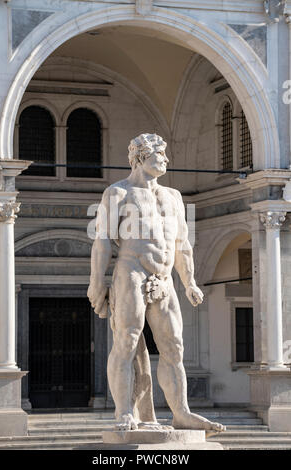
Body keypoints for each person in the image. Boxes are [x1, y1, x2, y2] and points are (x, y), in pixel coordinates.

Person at [88, 133, 225, 433]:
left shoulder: (173, 196)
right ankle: (125, 412)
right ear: (140, 157)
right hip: (131, 272)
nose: (165, 159)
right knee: (126, 341)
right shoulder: (118, 193)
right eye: (159, 154)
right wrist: (96, 283)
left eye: (164, 154)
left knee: (174, 347)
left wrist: (189, 282)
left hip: (164, 279)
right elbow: (102, 242)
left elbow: (182, 245)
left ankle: (182, 413)